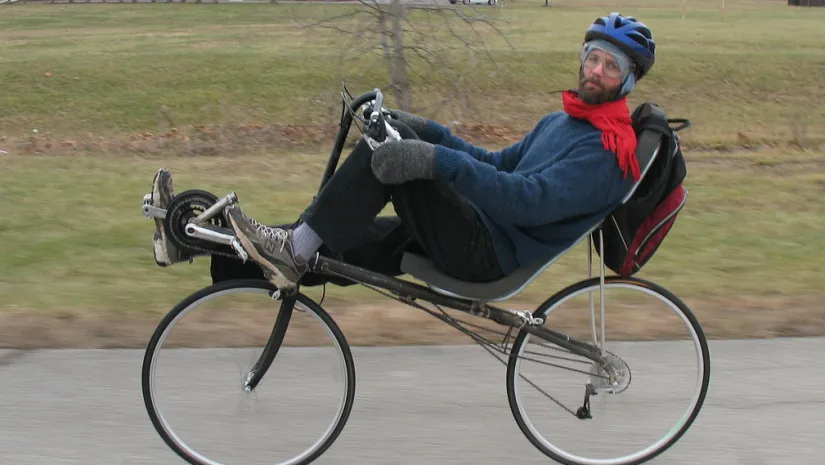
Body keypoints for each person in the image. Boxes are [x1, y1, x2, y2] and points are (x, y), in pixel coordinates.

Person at [149, 12, 657, 291]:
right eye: (593, 58)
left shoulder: (611, 153)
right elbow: (500, 165)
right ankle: (200, 241)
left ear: (628, 80)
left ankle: (293, 249)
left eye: (611, 67)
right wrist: (429, 131)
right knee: (338, 248)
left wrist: (432, 160)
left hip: (489, 255)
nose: (596, 71)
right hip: (469, 225)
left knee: (388, 161)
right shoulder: (565, 120)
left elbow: (525, 199)